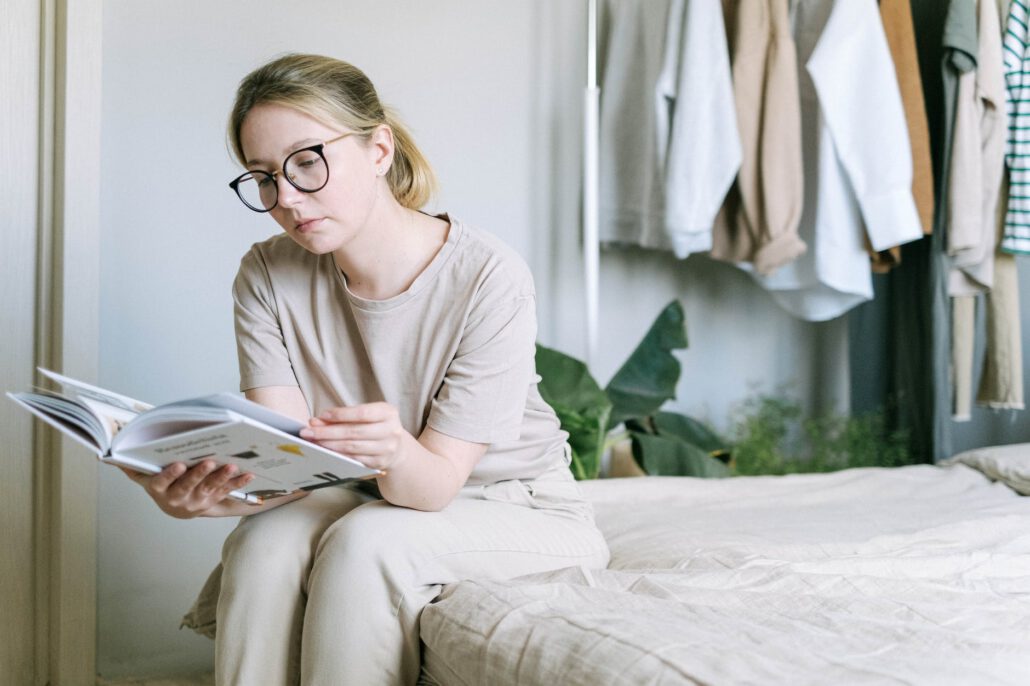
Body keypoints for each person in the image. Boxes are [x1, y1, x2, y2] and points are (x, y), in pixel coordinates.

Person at [118, 53, 611, 685]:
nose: (287, 199)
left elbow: (430, 487)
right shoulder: (268, 273)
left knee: (365, 545)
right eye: (263, 177)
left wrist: (394, 453)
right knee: (264, 545)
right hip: (363, 491)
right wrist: (202, 499)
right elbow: (289, 469)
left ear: (379, 149)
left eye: (307, 162)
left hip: (518, 503)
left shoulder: (488, 276)